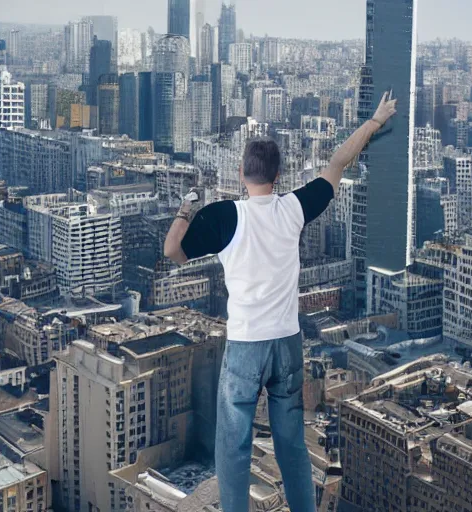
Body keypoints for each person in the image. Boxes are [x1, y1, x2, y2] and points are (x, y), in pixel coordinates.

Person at [164, 91, 397, 512]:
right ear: (278, 175)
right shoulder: (293, 207)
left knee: (232, 446)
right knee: (291, 442)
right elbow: (338, 163)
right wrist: (375, 122)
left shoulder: (225, 216)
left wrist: (185, 207)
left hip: (246, 346)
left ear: (241, 173)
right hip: (287, 343)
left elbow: (173, 251)